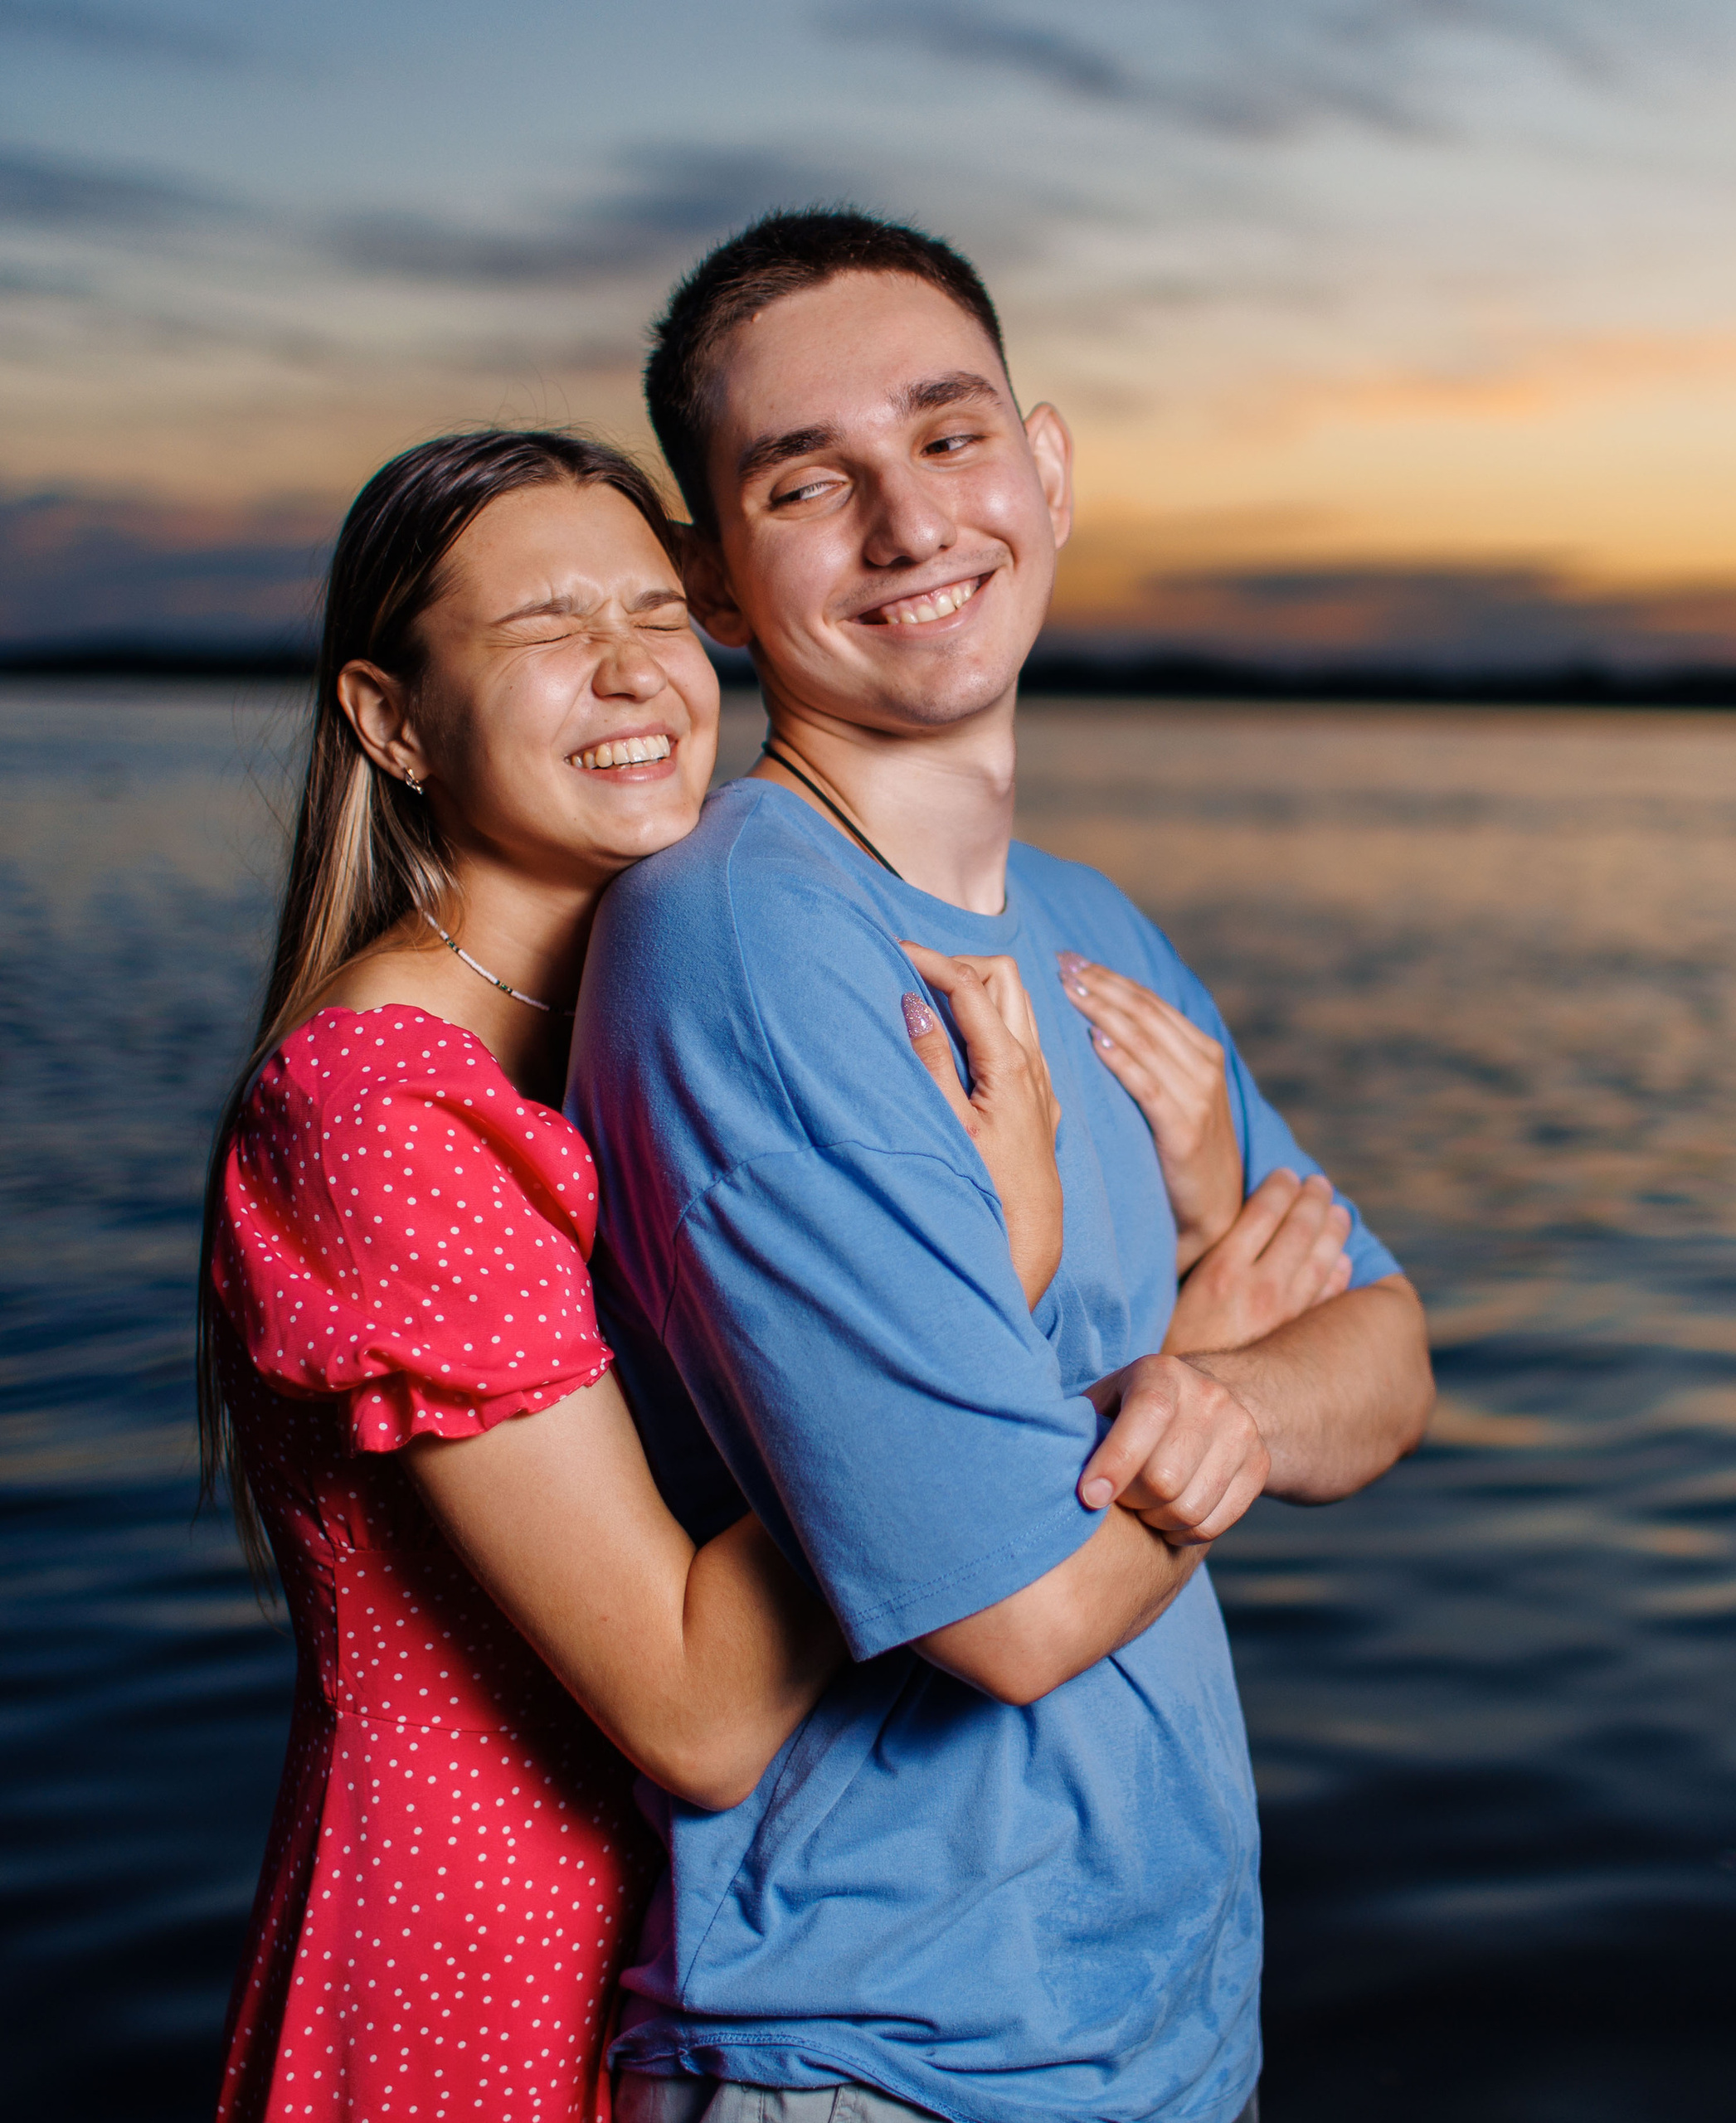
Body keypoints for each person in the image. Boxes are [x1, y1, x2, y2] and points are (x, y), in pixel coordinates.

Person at [198, 428, 1318, 2123]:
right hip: (483, 1963)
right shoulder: (375, 1110)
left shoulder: (657, 1011)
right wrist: (989, 1274)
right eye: (543, 625)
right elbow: (701, 1706)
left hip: (713, 1940)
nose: (633, 667)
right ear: (390, 716)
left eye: (659, 607)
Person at [571, 211, 1436, 2123]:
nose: (907, 524)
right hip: (870, 2051)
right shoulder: (740, 939)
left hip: (1162, 2029)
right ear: (714, 577)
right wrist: (1210, 1395)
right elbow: (1008, 1611)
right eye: (811, 481)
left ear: (1046, 472)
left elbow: (1388, 1363)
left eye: (948, 438)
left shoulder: (1085, 920)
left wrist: (1202, 1359)